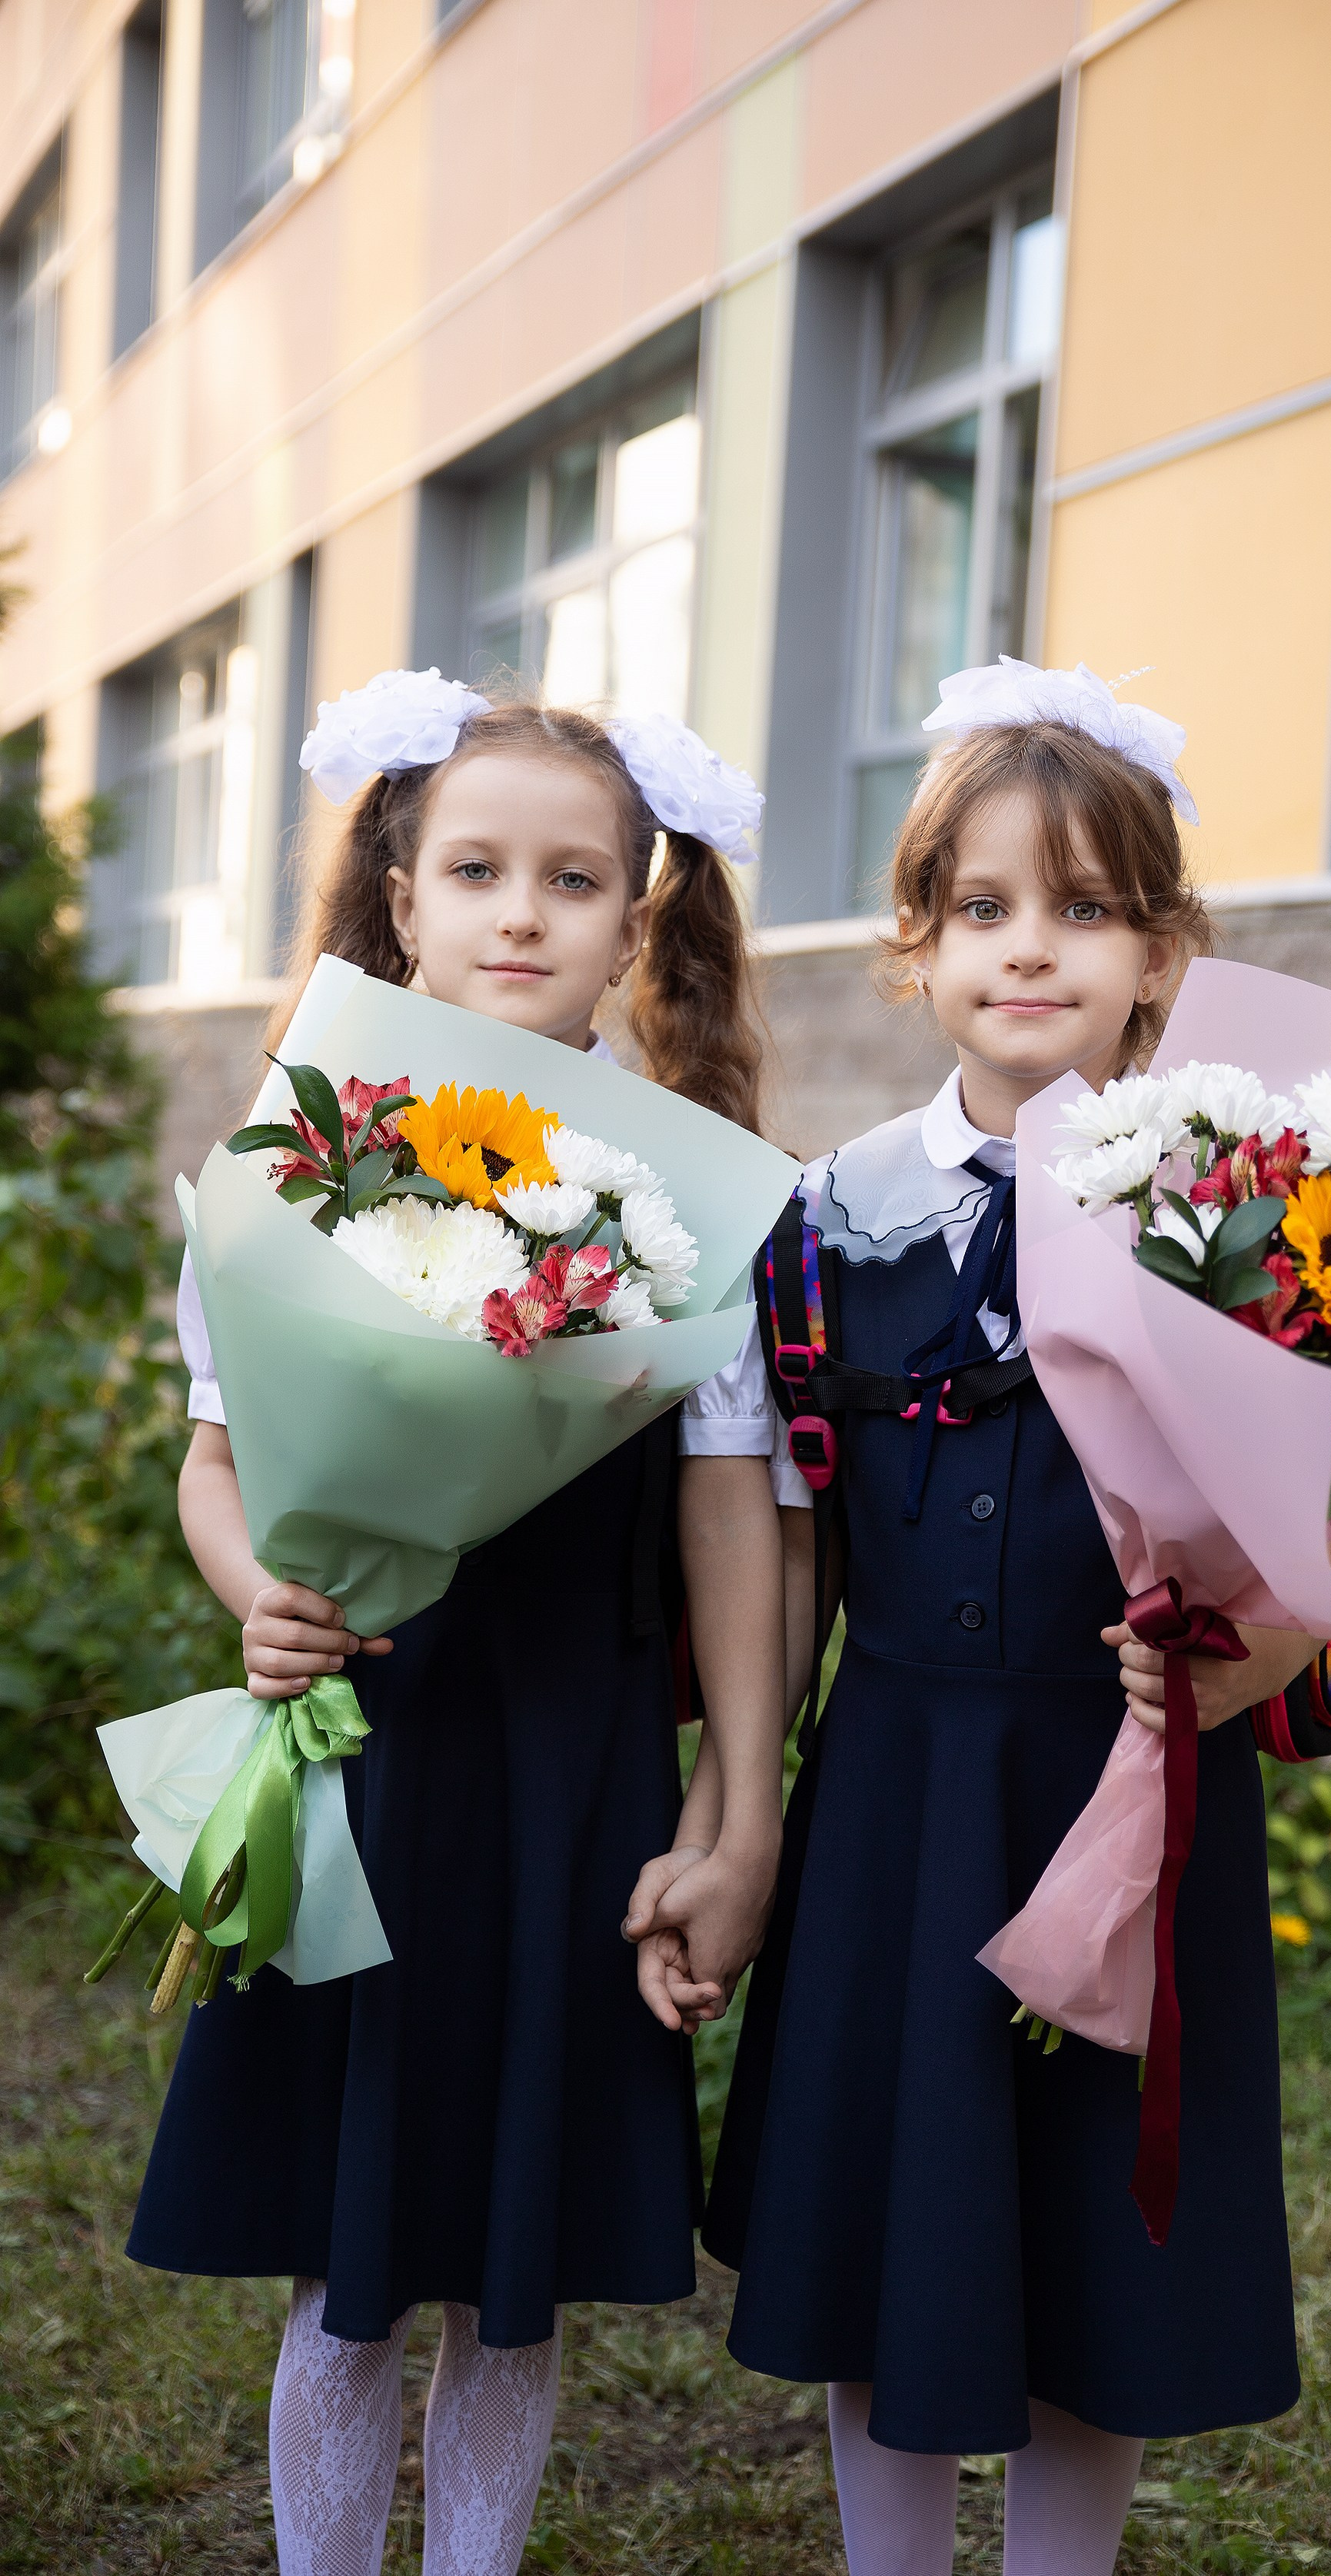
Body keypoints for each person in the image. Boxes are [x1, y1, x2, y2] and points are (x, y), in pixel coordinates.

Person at [678, 667, 1331, 2576]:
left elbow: (1326, 1552)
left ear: (1164, 955)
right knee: (891, 2243)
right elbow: (787, 1534)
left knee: (1090, 2268)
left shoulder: (1252, 1229)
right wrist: (743, 1816)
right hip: (895, 1797)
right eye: (982, 909)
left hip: (1129, 1794)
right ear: (915, 949)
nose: (1030, 949)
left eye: (1084, 908)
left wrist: (1253, 1656)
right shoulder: (823, 1220)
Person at [129, 680, 789, 2576]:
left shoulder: (705, 1199)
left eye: (574, 880)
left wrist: (731, 1807)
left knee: (519, 2272)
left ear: (633, 919)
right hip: (370, 1744)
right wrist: (260, 1593)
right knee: (349, 2259)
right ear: (399, 899)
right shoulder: (304, 1162)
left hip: (572, 1764)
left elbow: (733, 1519)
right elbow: (218, 1459)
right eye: (478, 869)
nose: (523, 913)